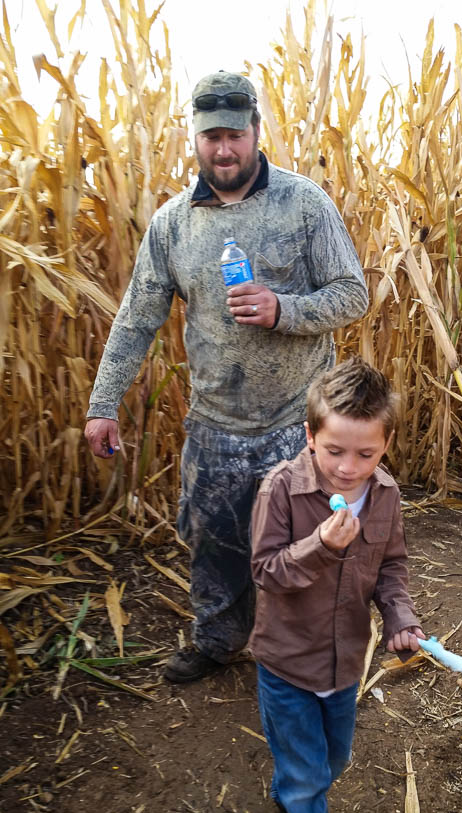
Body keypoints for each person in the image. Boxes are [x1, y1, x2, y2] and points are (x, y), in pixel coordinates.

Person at [84, 70, 368, 684]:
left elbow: (353, 294)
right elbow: (136, 320)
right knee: (214, 543)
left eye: (235, 135)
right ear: (194, 138)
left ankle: (303, 655)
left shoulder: (303, 203)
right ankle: (218, 641)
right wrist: (103, 404)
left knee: (308, 545)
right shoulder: (173, 224)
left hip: (299, 422)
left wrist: (282, 309)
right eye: (212, 136)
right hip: (215, 425)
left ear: (256, 132)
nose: (224, 149)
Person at [249, 356, 425, 813]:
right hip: (287, 667)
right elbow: (266, 572)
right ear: (310, 435)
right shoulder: (280, 490)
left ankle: (289, 795)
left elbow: (391, 567)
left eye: (365, 454)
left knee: (331, 763)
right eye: (333, 451)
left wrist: (400, 619)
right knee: (308, 784)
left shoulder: (386, 495)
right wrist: (320, 546)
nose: (348, 468)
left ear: (386, 445)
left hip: (345, 665)